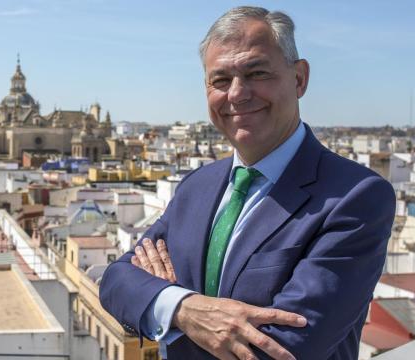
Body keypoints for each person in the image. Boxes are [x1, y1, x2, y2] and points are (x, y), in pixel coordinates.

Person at [99, 6, 396, 360]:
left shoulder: (355, 196)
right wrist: (186, 309)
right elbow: (116, 282)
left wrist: (157, 300)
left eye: (256, 73)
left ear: (299, 79)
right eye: (220, 80)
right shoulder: (197, 186)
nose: (237, 94)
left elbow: (285, 348)